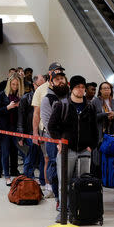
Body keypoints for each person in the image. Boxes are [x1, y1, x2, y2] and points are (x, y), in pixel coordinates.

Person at [48, 75, 98, 222]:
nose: (81, 90)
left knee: (83, 182)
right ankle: (64, 211)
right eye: (78, 87)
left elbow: (95, 130)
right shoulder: (62, 105)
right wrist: (59, 142)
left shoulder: (90, 107)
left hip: (84, 150)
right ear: (72, 88)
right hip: (66, 150)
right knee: (65, 182)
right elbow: (52, 126)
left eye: (83, 87)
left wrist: (91, 146)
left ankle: (81, 211)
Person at [32, 63, 65, 198]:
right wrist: (35, 133)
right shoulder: (41, 90)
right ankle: (50, 187)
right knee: (49, 160)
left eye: (61, 76)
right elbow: (36, 113)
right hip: (48, 132)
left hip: (64, 134)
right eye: (55, 74)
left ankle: (59, 190)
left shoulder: (66, 91)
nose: (60, 79)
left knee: (61, 163)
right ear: (50, 75)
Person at [40, 64, 69, 203]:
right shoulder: (48, 99)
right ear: (51, 82)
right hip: (53, 141)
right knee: (55, 168)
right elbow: (48, 124)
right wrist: (58, 140)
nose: (60, 81)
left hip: (68, 139)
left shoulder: (70, 97)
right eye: (57, 79)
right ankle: (58, 199)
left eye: (62, 78)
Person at [0, 74, 24, 185]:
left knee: (23, 150)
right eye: (13, 84)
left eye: (17, 84)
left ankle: (26, 174)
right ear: (9, 84)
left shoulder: (21, 96)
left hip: (16, 128)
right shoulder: (2, 95)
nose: (15, 86)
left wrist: (19, 106)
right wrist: (8, 107)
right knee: (5, 152)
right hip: (4, 128)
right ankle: (7, 176)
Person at [18, 74, 46, 182]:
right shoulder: (26, 98)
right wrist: (21, 135)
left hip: (43, 132)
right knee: (29, 158)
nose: (42, 88)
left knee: (43, 158)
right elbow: (20, 117)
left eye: (44, 85)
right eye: (39, 85)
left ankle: (43, 181)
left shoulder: (46, 97)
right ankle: (27, 181)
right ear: (34, 85)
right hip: (29, 132)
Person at [91, 82, 114, 178]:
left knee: (110, 154)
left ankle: (109, 175)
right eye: (104, 88)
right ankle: (97, 176)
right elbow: (92, 117)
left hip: (112, 132)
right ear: (100, 90)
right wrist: (106, 114)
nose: (107, 90)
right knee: (98, 154)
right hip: (99, 132)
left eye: (108, 88)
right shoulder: (95, 102)